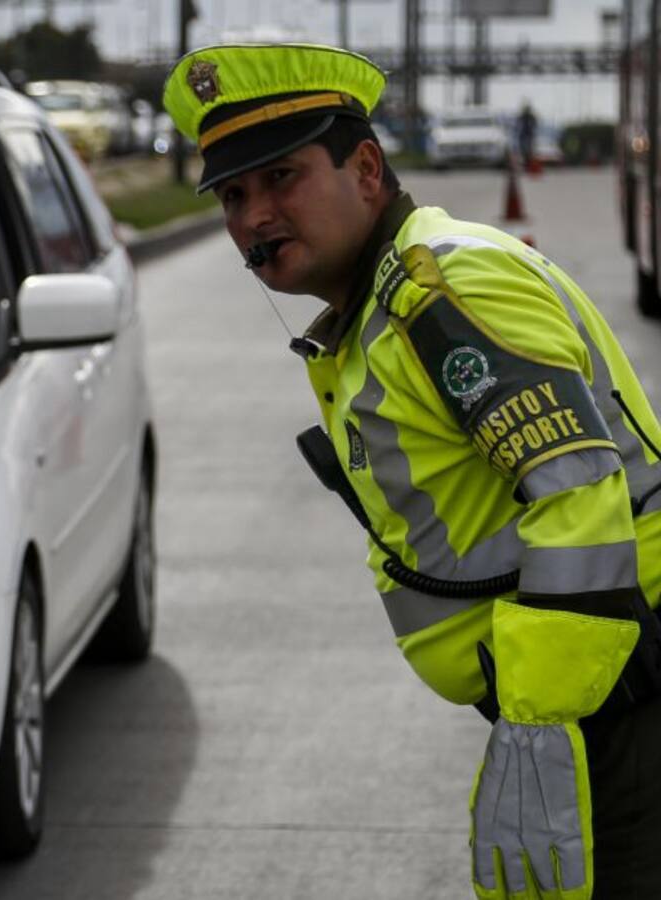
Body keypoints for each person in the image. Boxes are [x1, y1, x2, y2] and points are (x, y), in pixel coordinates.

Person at [162, 43, 661, 899]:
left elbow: (577, 493)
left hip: (617, 703)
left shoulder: (442, 289)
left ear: (365, 170)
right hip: (592, 696)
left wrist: (539, 724)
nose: (254, 216)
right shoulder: (379, 308)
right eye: (233, 195)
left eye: (281, 177)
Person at [517, 100, 538, 166]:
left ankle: (528, 162)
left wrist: (532, 127)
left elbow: (535, 123)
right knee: (523, 149)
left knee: (529, 149)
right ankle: (525, 161)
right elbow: (518, 123)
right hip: (523, 135)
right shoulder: (522, 116)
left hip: (528, 134)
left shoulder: (531, 116)